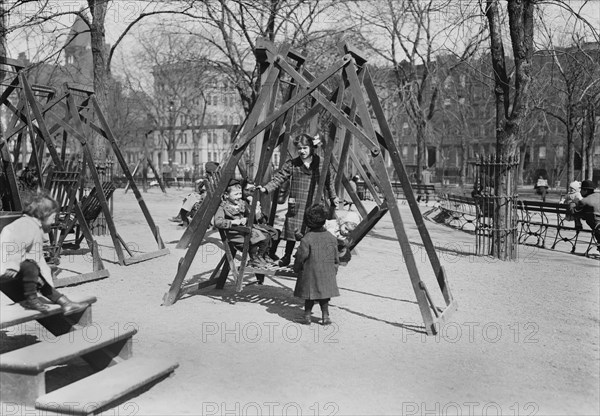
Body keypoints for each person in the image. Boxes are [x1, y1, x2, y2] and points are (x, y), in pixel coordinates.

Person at [0, 192, 89, 314]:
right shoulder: (26, 225)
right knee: (30, 267)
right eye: (53, 217)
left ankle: (64, 302)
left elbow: (39, 260)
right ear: (43, 215)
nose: (53, 221)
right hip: (6, 265)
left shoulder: (35, 227)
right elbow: (11, 244)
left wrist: (49, 284)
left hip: (12, 268)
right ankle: (36, 300)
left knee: (35, 271)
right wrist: (12, 265)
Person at [258, 133, 339, 267]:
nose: (302, 151)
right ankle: (287, 256)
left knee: (312, 230)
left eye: (305, 148)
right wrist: (266, 189)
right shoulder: (293, 164)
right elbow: (279, 177)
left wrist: (333, 197)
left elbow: (329, 182)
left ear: (312, 148)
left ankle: (308, 257)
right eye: (300, 148)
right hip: (297, 203)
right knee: (292, 230)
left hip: (314, 202)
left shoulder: (322, 163)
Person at [293, 204, 340, 325]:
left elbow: (301, 256)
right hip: (327, 272)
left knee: (310, 295)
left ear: (308, 222)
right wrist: (334, 270)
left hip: (311, 273)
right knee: (324, 295)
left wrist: (296, 268)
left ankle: (307, 316)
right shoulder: (331, 238)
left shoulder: (307, 238)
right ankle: (325, 317)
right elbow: (336, 258)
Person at [214, 178, 273, 268]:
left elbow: (250, 216)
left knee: (266, 235)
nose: (239, 196)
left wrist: (249, 215)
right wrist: (233, 222)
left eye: (240, 194)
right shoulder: (223, 207)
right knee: (257, 237)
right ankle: (254, 259)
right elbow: (218, 222)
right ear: (226, 195)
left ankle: (259, 257)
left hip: (244, 231)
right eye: (236, 194)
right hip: (235, 235)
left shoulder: (241, 204)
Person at [570, 180, 600, 248]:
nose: (580, 192)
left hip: (596, 225)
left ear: (585, 190)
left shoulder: (584, 201)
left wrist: (573, 203)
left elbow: (574, 212)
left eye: (581, 190)